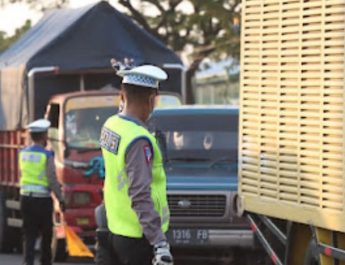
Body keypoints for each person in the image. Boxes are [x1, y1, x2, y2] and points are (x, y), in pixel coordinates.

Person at [100, 65, 173, 265]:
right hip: (139, 237)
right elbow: (140, 194)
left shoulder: (111, 125)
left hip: (115, 228)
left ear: (122, 96)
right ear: (152, 99)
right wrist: (159, 242)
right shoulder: (138, 139)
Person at [19, 119, 65, 265]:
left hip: (25, 198)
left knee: (29, 235)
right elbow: (52, 179)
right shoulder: (47, 155)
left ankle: (28, 262)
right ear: (44, 136)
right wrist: (61, 199)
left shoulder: (23, 153)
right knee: (46, 235)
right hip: (42, 201)